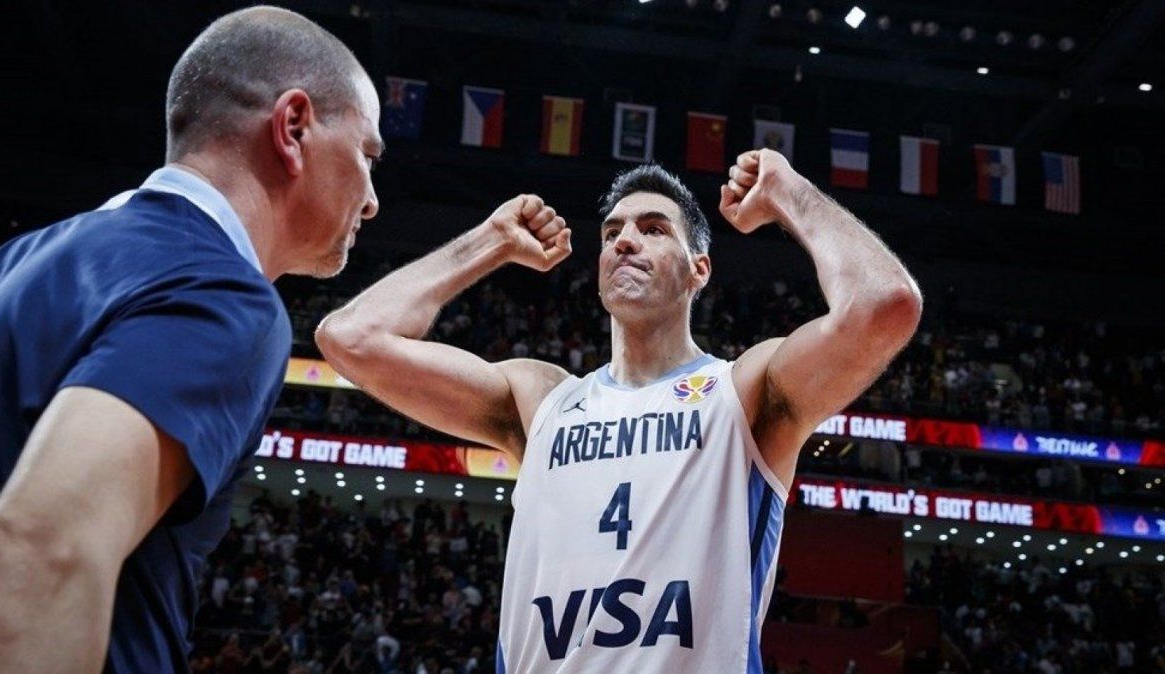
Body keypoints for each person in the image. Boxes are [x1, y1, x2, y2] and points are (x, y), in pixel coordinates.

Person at [315, 150, 920, 671]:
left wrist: (788, 191)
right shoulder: (541, 399)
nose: (625, 240)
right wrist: (489, 242)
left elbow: (884, 304)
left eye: (654, 229)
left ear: (699, 270)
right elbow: (351, 338)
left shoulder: (742, 392)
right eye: (611, 233)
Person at [0, 6, 382, 672]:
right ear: (294, 127)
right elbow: (37, 554)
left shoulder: (0, 269)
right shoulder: (224, 294)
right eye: (367, 155)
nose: (372, 199)